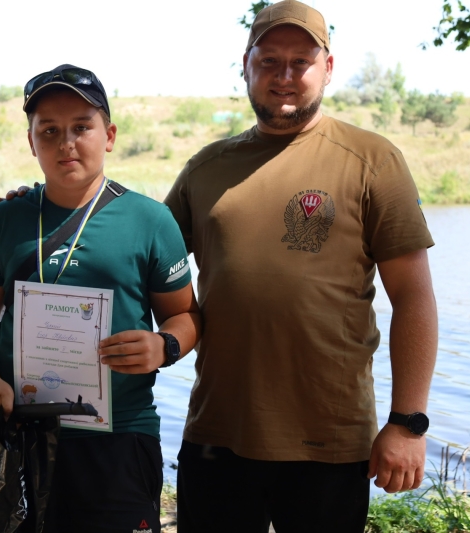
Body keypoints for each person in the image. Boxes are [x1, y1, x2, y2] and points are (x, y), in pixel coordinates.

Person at [163, 2, 438, 531]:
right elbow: (141, 254)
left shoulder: (372, 160)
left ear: (327, 69)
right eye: (269, 61)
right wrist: (54, 209)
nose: (284, 77)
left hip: (329, 442)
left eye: (300, 62)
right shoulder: (206, 168)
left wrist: (407, 423)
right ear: (245, 64)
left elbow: (414, 297)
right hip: (218, 433)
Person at [0, 64, 202, 533]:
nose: (66, 142)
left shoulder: (150, 220)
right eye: (49, 130)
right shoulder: (4, 220)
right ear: (31, 143)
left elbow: (187, 316)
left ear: (108, 135)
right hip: (20, 433)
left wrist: (163, 347)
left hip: (119, 436)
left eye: (81, 127)